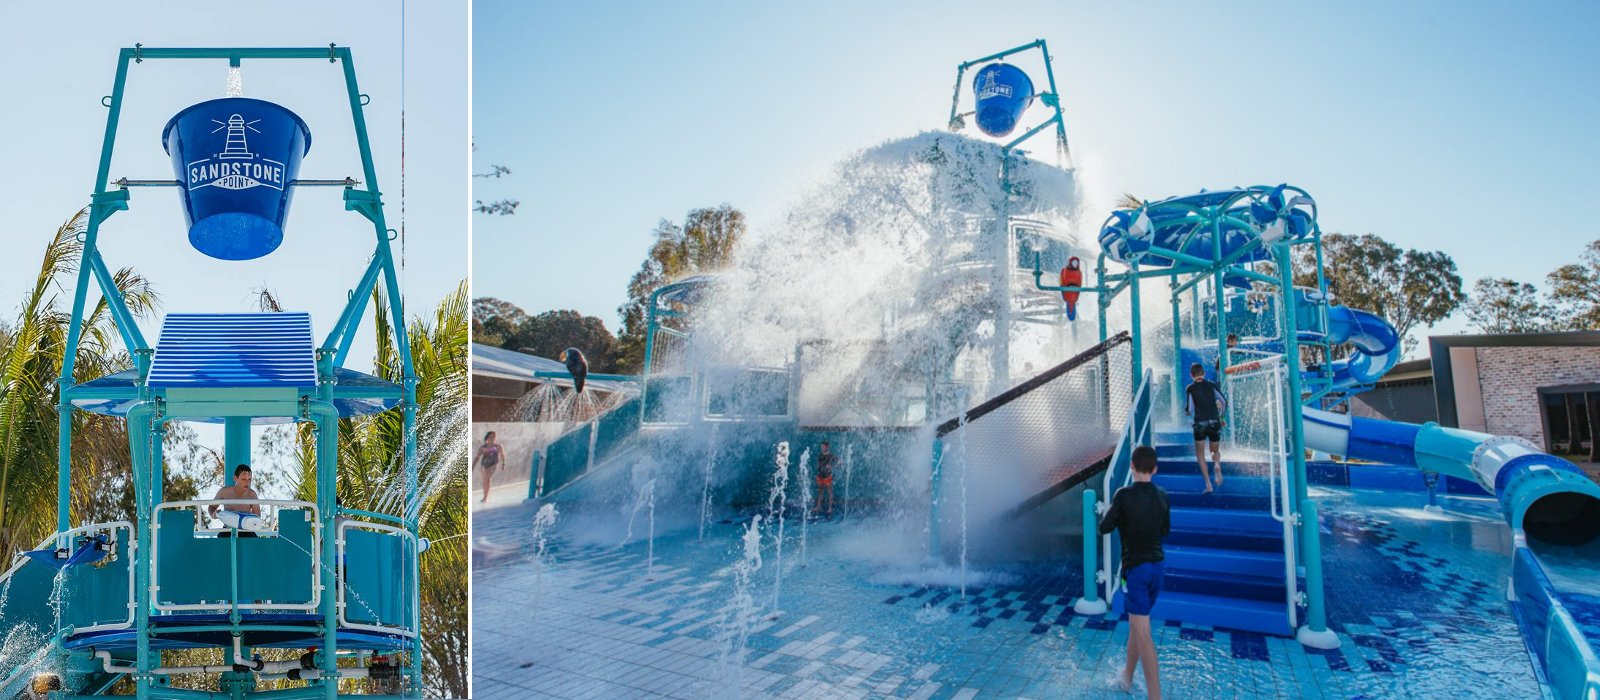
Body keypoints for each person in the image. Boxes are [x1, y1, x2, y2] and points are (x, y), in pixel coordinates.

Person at [1098, 445, 1169, 699]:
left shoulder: (1123, 495)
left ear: (1131, 466)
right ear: (1155, 469)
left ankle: (1155, 696)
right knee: (1137, 626)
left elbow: (1104, 528)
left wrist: (1115, 511)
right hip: (1157, 568)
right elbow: (1164, 531)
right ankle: (1127, 677)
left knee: (1143, 632)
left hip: (1136, 570)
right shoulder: (1162, 495)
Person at [1185, 362, 1227, 493]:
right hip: (1215, 421)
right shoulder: (1211, 385)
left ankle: (1208, 484)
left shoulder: (1190, 388)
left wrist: (1187, 412)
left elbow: (1190, 409)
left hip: (1200, 424)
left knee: (1200, 454)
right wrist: (1221, 417)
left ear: (1191, 375)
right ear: (1204, 374)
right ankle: (1216, 465)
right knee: (1215, 450)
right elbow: (1223, 402)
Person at [209, 465, 263, 533]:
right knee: (219, 542)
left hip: (246, 529)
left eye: (249, 479)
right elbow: (211, 507)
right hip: (227, 529)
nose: (247, 482)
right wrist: (213, 515)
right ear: (235, 478)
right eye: (243, 479)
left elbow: (257, 516)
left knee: (254, 542)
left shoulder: (252, 494)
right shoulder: (224, 492)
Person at [474, 431, 504, 503]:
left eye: (493, 436)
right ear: (487, 437)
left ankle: (485, 497)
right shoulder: (483, 447)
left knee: (487, 478)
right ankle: (485, 496)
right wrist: (472, 466)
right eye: (490, 436)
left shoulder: (498, 446)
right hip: (484, 464)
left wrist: (503, 464)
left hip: (493, 464)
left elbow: (502, 455)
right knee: (485, 481)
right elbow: (477, 457)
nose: (492, 438)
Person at [814, 441, 836, 518]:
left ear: (827, 447)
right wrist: (818, 468)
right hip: (820, 476)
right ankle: (818, 507)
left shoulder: (830, 455)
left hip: (827, 476)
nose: (822, 448)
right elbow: (819, 464)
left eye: (823, 447)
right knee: (820, 492)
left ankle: (830, 508)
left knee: (830, 492)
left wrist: (831, 467)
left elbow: (839, 461)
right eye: (821, 447)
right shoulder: (820, 455)